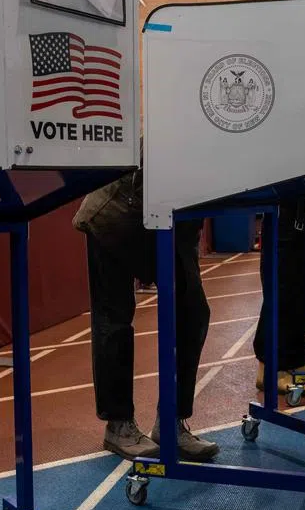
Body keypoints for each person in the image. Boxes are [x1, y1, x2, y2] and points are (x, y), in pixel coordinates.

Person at [74, 169, 219, 462]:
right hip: (113, 215)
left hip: (174, 217)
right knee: (113, 321)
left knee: (193, 312)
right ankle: (118, 425)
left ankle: (171, 421)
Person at [253, 199, 305, 393]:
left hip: (301, 213)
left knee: (299, 293)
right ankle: (269, 368)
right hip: (282, 216)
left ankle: (295, 358)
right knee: (281, 294)